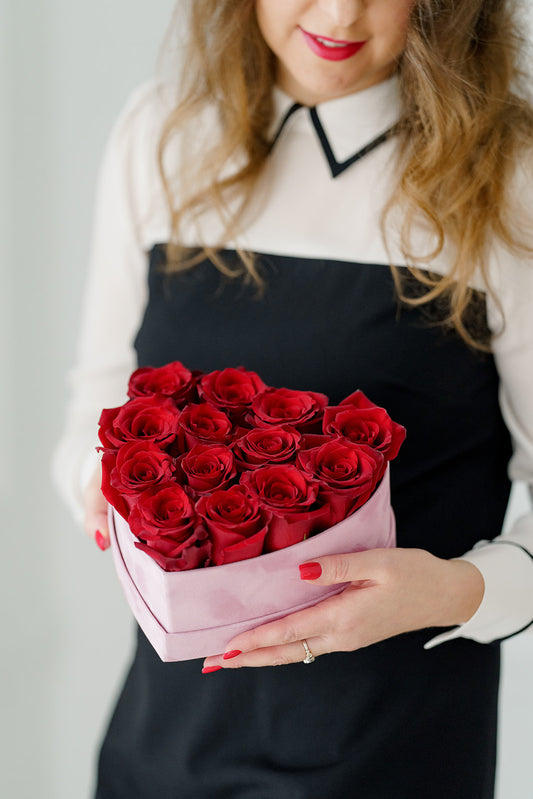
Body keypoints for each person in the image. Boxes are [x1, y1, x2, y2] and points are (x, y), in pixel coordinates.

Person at [53, 1, 533, 796]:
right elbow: (95, 403)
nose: (341, 13)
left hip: (388, 753)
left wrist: (456, 590)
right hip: (163, 747)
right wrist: (98, 489)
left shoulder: (506, 173)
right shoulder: (164, 134)